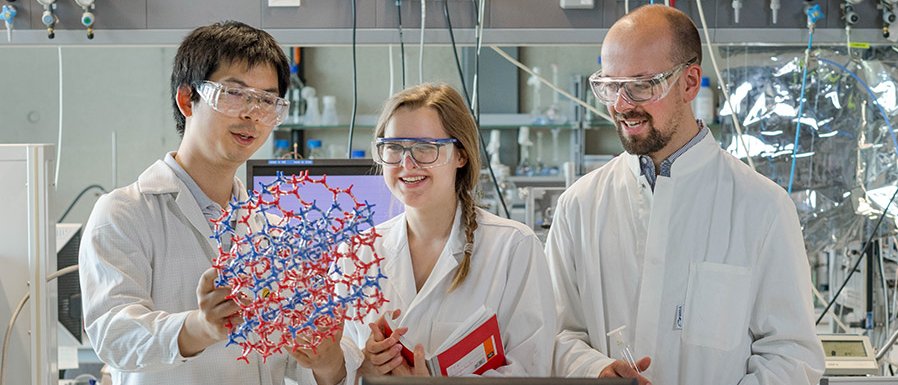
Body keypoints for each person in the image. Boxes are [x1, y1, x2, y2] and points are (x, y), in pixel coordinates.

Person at [546, 5, 825, 385]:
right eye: (611, 86)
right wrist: (593, 368)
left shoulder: (763, 207)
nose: (622, 105)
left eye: (642, 85)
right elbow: (556, 332)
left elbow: (791, 355)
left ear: (690, 82)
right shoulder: (579, 204)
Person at [79, 21, 347, 385]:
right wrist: (201, 327)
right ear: (187, 99)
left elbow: (292, 364)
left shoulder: (274, 230)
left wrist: (328, 362)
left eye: (267, 100)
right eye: (234, 94)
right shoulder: (124, 213)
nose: (252, 113)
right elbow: (114, 336)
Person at [339, 83, 556, 379]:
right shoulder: (357, 252)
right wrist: (363, 363)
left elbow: (532, 370)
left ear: (461, 155)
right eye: (394, 147)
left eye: (425, 148)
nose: (407, 163)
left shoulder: (513, 247)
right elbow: (333, 363)